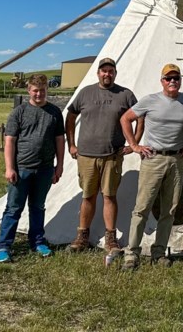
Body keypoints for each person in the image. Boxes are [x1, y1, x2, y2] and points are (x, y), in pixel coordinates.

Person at [119, 63, 183, 270]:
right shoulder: (150, 100)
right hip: (153, 158)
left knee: (169, 209)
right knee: (142, 207)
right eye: (168, 78)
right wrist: (134, 145)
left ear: (180, 80)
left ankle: (159, 252)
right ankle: (132, 253)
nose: (172, 82)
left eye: (176, 78)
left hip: (177, 159)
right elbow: (126, 118)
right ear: (161, 81)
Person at [64, 57, 138, 253]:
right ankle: (82, 236)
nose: (107, 74)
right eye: (103, 71)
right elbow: (70, 117)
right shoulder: (85, 93)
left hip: (112, 154)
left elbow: (140, 116)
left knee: (109, 196)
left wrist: (134, 143)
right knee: (87, 196)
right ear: (98, 73)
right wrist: (71, 144)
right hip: (86, 155)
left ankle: (110, 238)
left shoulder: (125, 94)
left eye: (110, 71)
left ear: (115, 73)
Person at [0, 74, 66, 263]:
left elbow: (59, 140)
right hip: (22, 167)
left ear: (46, 91)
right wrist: (9, 167)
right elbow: (10, 141)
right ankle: (3, 246)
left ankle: (37, 241)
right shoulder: (19, 112)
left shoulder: (54, 112)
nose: (39, 94)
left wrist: (60, 166)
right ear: (28, 91)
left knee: (37, 207)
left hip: (45, 168)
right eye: (35, 90)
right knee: (13, 208)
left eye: (42, 90)